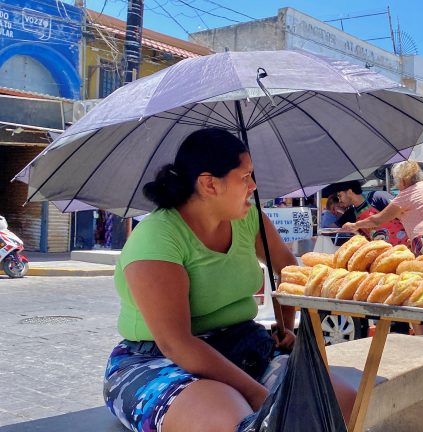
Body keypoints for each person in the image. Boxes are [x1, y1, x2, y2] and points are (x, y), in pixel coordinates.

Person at [103, 128, 355, 432]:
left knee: (343, 403)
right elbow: (175, 342)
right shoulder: (157, 238)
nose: (253, 185)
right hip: (160, 361)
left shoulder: (249, 218)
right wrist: (259, 395)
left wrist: (286, 327)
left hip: (243, 347)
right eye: (245, 176)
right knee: (232, 423)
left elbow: (287, 270)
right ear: (210, 184)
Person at [341, 160, 423, 260]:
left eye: (396, 181)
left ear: (403, 180)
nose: (397, 186)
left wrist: (355, 225)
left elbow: (378, 220)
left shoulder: (408, 193)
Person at [334, 180, 409, 246]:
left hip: (407, 247)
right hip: (384, 255)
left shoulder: (378, 197)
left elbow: (403, 213)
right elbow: (365, 238)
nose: (339, 200)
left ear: (349, 192)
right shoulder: (350, 214)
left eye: (340, 196)